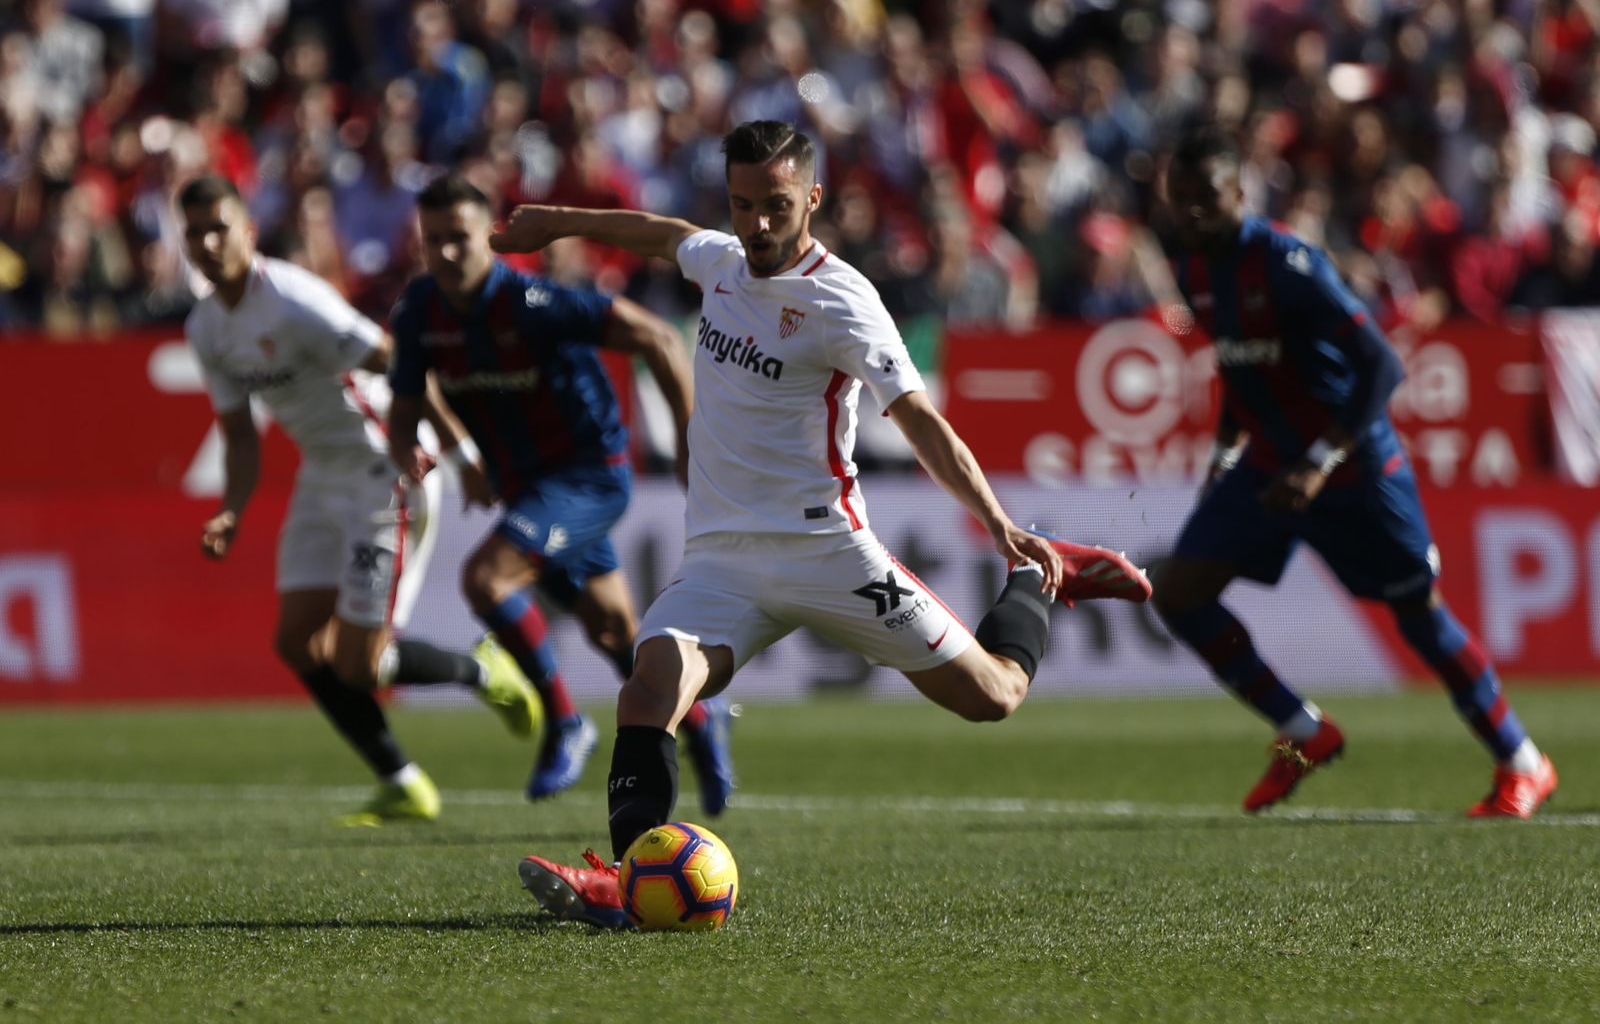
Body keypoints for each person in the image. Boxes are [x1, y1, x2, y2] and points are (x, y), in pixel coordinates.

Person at [501, 120, 1153, 928]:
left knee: (995, 695)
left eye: (776, 205)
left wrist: (1001, 525)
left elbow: (919, 419)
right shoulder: (722, 263)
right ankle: (627, 883)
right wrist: (556, 220)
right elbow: (661, 233)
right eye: (742, 205)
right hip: (721, 562)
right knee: (651, 686)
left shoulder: (842, 299)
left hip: (827, 551)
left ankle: (1037, 575)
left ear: (812, 197)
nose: (758, 225)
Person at [1154, 127, 1557, 818]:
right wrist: (1224, 457)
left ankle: (1523, 761)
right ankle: (1303, 730)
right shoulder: (1193, 269)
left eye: (1205, 196)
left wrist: (1319, 460)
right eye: (1179, 197)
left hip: (1351, 467)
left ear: (1239, 191)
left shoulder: (1286, 262)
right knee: (1178, 591)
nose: (1190, 211)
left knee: (1420, 617)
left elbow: (1381, 366)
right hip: (1269, 467)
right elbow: (1239, 367)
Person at [180, 173, 539, 826]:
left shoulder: (292, 298)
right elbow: (238, 434)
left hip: (386, 469)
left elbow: (398, 360)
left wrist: (455, 451)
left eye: (218, 226)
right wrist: (233, 506)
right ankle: (402, 780)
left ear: (247, 230)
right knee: (296, 641)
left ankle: (483, 669)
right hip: (323, 476)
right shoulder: (205, 326)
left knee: (358, 662)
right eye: (194, 231)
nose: (207, 242)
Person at [386, 174, 735, 812]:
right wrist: (422, 450)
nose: (447, 254)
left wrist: (692, 445)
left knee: (487, 580)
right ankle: (706, 725)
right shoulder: (419, 314)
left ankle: (566, 721)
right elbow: (405, 403)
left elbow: (659, 337)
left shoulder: (535, 303)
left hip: (590, 475)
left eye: (460, 238)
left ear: (488, 238)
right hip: (528, 490)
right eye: (433, 241)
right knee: (614, 634)